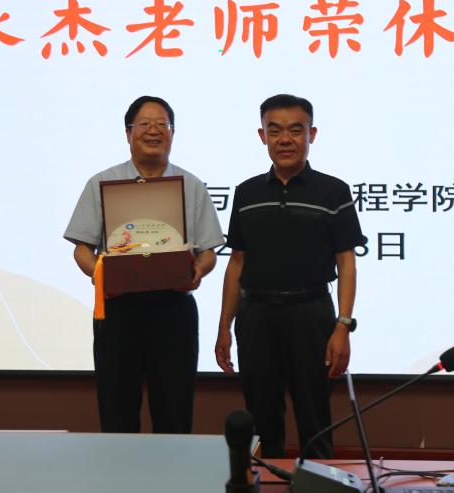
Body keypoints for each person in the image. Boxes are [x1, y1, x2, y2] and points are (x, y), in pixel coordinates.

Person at [215, 94, 363, 458]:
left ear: (311, 134)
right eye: (275, 130)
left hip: (311, 313)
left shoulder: (334, 191)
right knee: (261, 416)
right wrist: (224, 327)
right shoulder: (247, 193)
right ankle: (265, 485)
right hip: (256, 315)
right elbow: (237, 263)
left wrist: (343, 325)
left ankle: (319, 484)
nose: (285, 139)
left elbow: (346, 263)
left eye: (296, 130)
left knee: (315, 415)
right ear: (262, 136)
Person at [64, 96, 223, 434]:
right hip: (118, 311)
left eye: (162, 124)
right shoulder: (102, 183)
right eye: (145, 124)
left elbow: (208, 251)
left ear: (173, 133)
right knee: (117, 411)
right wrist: (99, 273)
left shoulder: (192, 186)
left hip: (174, 311)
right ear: (128, 133)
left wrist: (200, 269)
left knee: (175, 412)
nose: (154, 131)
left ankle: (172, 469)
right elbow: (82, 249)